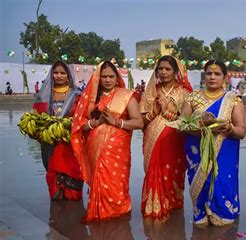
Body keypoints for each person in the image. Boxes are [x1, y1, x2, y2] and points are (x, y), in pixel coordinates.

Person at [71, 61, 144, 222]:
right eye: (104, 76)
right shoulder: (91, 99)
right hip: (95, 148)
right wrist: (95, 123)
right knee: (100, 182)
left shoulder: (126, 96)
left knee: (115, 183)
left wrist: (116, 122)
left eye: (111, 76)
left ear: (117, 77)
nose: (108, 80)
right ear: (98, 78)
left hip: (117, 151)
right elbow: (78, 125)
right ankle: (100, 214)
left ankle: (118, 213)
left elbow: (139, 122)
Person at [181, 60, 246, 226]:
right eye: (209, 73)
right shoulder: (192, 97)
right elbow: (182, 125)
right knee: (200, 185)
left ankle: (221, 215)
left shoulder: (233, 99)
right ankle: (202, 214)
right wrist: (204, 131)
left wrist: (229, 128)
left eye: (217, 74)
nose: (212, 77)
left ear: (225, 77)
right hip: (197, 150)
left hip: (224, 153)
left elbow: (242, 131)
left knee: (222, 182)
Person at [140, 55, 192, 219]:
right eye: (160, 69)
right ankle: (153, 206)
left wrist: (166, 110)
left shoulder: (184, 92)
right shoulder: (151, 90)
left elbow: (186, 122)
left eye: (168, 69)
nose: (163, 72)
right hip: (152, 140)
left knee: (171, 173)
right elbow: (141, 120)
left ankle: (172, 204)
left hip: (174, 141)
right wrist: (154, 112)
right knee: (153, 172)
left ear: (176, 71)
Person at [32, 61, 83, 200]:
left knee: (73, 193)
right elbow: (36, 119)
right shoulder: (44, 95)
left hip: (70, 145)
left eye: (62, 73)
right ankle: (56, 217)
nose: (59, 76)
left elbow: (83, 118)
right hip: (50, 144)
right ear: (51, 74)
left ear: (69, 75)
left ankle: (74, 217)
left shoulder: (78, 95)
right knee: (55, 190)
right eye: (56, 73)